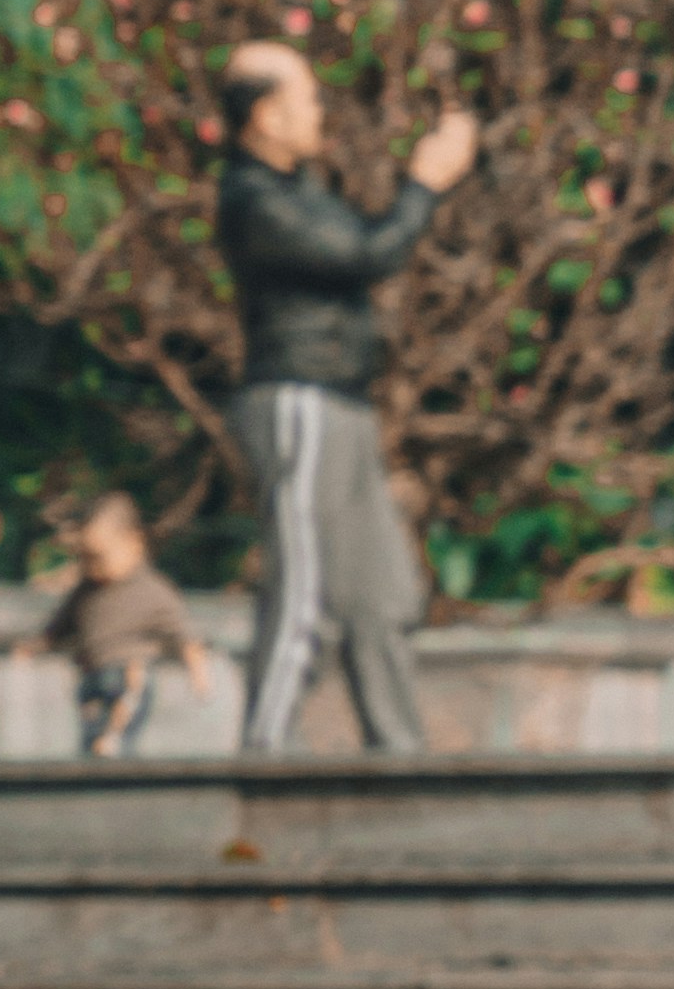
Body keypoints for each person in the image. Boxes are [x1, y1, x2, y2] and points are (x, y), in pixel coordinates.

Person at [215, 40, 479, 754]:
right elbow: (368, 253)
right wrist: (424, 183)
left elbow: (365, 242)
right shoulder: (252, 200)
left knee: (383, 595)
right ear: (266, 115)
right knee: (303, 586)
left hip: (345, 405)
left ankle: (399, 754)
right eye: (307, 98)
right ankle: (265, 754)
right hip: (297, 402)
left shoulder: (300, 191)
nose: (319, 112)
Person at [24, 488, 214, 761]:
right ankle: (95, 754)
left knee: (121, 720)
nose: (91, 567)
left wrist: (199, 673)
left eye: (99, 556)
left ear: (134, 544)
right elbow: (59, 627)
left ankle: (113, 748)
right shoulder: (86, 590)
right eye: (84, 558)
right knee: (90, 730)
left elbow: (184, 636)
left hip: (129, 672)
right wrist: (34, 647)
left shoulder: (153, 591)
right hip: (91, 675)